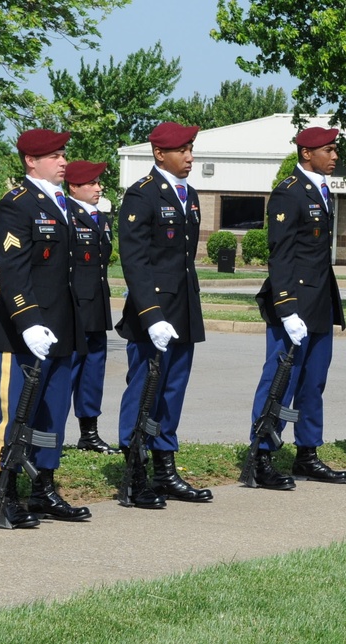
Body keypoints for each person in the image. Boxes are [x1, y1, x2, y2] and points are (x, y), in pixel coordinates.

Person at [0, 128, 90, 528]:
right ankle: (5, 491)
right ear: (31, 160)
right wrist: (29, 321)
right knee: (15, 413)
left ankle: (43, 485)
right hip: (23, 329)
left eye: (63, 155)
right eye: (55, 155)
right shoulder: (17, 204)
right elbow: (14, 271)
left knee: (52, 413)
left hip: (61, 327)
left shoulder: (65, 204)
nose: (64, 161)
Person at [116, 121, 213, 508]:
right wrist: (152, 314)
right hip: (152, 313)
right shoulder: (141, 195)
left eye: (191, 150)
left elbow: (184, 260)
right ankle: (134, 470)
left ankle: (164, 468)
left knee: (172, 393)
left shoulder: (188, 194)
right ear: (160, 154)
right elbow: (135, 261)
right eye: (183, 151)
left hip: (183, 309)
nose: (190, 158)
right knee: (144, 391)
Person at [246, 125, 346, 490]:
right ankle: (261, 455)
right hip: (295, 303)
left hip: (319, 300)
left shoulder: (322, 190)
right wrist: (287, 308)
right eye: (329, 150)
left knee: (312, 383)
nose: (335, 156)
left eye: (335, 150)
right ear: (307, 153)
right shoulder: (289, 194)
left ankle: (307, 453)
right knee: (280, 380)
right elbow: (282, 255)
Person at [65, 160, 116, 454]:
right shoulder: (65, 215)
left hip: (96, 305)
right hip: (73, 307)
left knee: (93, 372)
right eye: (92, 183)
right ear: (74, 187)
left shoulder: (101, 218)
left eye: (99, 183)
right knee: (68, 372)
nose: (98, 188)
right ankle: (53, 433)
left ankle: (89, 433)